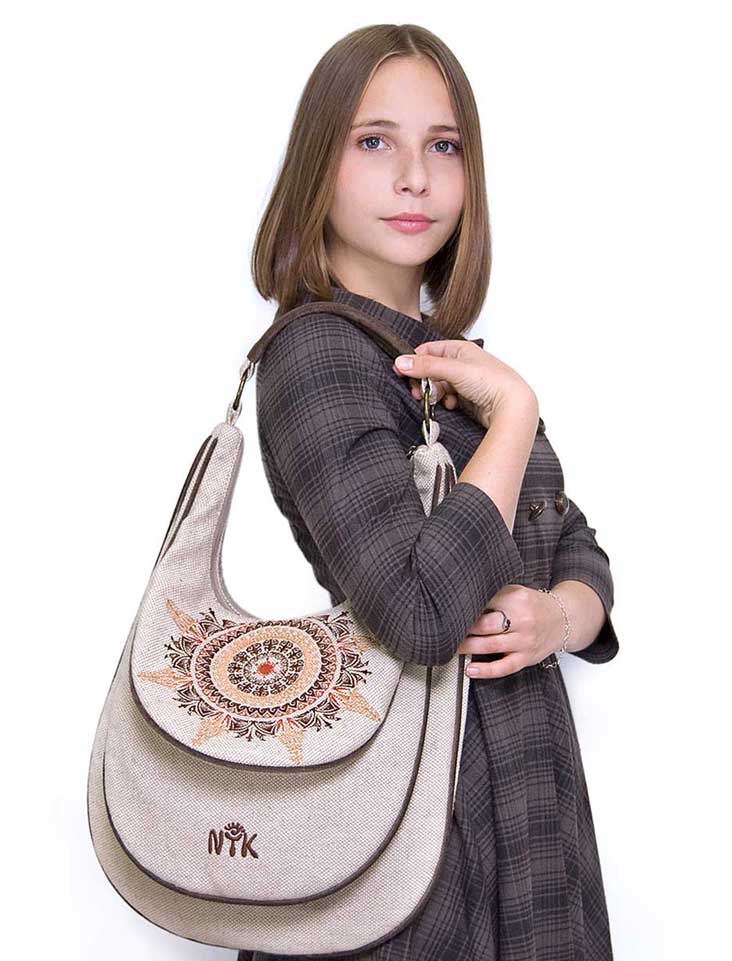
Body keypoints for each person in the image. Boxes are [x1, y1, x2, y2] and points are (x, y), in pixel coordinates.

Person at [239, 22, 619, 961]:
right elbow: (418, 610)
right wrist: (517, 413)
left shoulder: (455, 365)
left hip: (528, 790)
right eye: (375, 141)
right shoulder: (317, 352)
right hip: (416, 829)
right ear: (318, 164)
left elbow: (571, 541)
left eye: (443, 147)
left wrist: (558, 617)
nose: (415, 177)